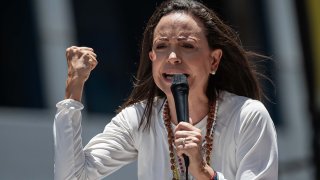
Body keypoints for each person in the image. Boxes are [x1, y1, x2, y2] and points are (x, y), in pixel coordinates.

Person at [53, 0, 278, 179]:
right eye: (161, 47)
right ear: (152, 59)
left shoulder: (248, 116)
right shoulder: (139, 118)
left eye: (187, 46)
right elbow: (72, 176)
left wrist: (205, 173)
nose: (172, 57)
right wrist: (73, 88)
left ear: (214, 60)